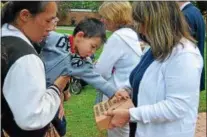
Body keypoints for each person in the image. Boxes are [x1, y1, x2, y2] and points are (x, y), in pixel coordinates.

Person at [105, 2, 203, 137]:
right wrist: (127, 89)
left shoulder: (185, 55)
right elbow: (140, 76)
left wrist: (130, 114)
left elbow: (177, 107)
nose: (140, 30)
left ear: (157, 22)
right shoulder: (155, 49)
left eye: (142, 23)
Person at [39, 18, 130, 136]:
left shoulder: (83, 63)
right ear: (80, 36)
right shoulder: (53, 38)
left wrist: (114, 92)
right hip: (34, 91)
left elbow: (97, 79)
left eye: (96, 49)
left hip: (51, 96)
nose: (92, 52)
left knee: (60, 127)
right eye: (92, 46)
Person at [1, 1, 70, 137]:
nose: (52, 28)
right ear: (25, 15)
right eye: (48, 20)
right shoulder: (25, 58)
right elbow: (32, 118)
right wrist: (57, 88)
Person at [94, 2, 143, 137]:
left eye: (105, 17)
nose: (102, 20)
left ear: (114, 17)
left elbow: (101, 71)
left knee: (117, 131)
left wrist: (95, 65)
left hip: (117, 95)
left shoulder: (117, 37)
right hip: (129, 93)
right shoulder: (131, 34)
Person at [177, 1, 206, 91]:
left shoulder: (185, 16)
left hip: (188, 72)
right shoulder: (195, 11)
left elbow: (182, 47)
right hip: (195, 68)